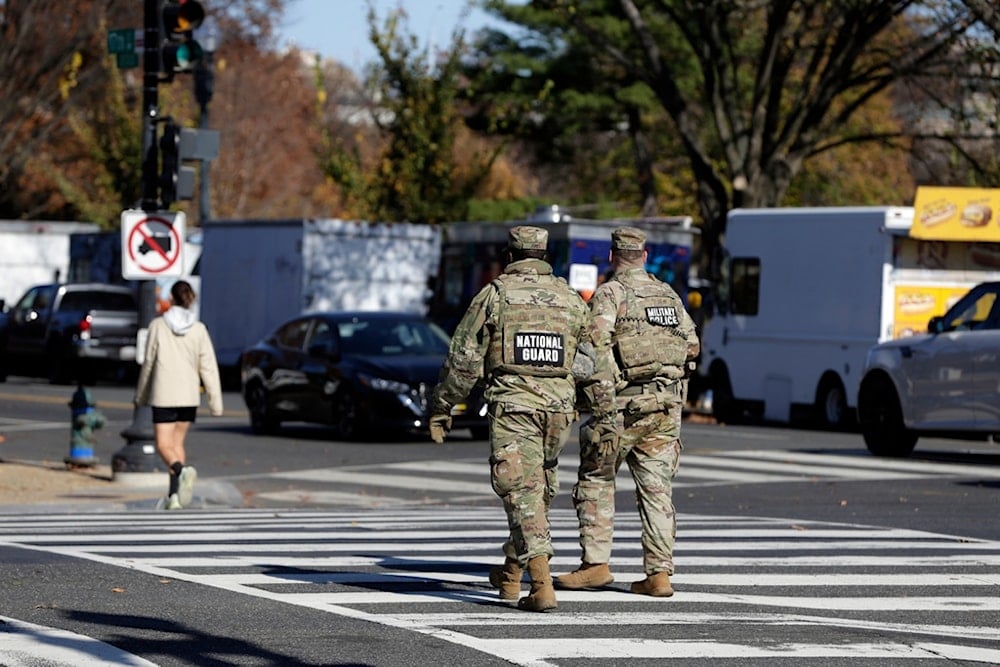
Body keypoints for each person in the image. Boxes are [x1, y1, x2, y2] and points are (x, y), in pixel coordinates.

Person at [429, 225, 591, 612]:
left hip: (515, 406)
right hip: (558, 411)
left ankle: (541, 585)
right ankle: (510, 574)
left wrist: (443, 405)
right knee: (537, 491)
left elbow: (464, 358)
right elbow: (591, 361)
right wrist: (594, 406)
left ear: (510, 255)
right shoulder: (570, 299)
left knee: (521, 492)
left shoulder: (495, 295)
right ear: (544, 256)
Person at [556, 226, 700, 597]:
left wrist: (592, 402)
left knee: (596, 479)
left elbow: (593, 348)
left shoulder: (611, 293)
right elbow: (693, 345)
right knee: (656, 490)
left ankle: (596, 565)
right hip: (666, 408)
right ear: (645, 256)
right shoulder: (668, 295)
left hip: (621, 407)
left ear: (611, 257)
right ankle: (658, 574)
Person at [135, 280, 223, 510]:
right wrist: (215, 403)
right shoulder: (199, 329)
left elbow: (149, 364)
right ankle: (175, 497)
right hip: (189, 395)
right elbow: (209, 367)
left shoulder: (157, 326)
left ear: (171, 299)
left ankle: (181, 472)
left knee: (163, 445)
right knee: (177, 444)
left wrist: (141, 395)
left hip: (164, 393)